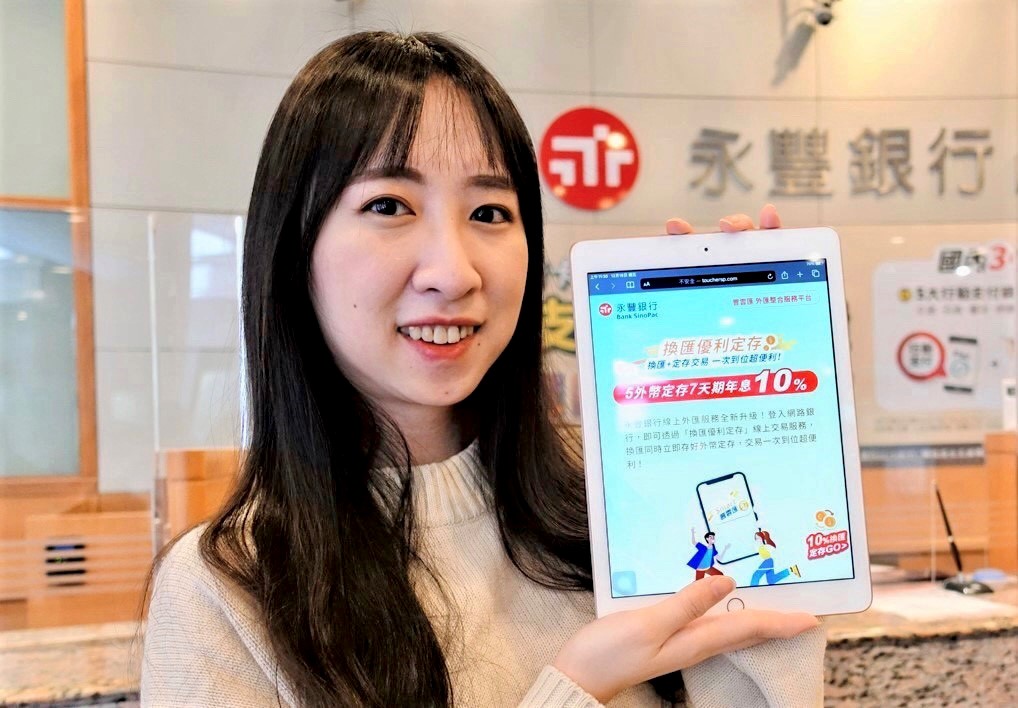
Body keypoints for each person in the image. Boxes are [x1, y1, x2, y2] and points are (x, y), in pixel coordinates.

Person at [141, 31, 825, 707]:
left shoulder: (615, 522)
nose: (454, 272)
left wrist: (746, 452)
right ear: (294, 248)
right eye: (389, 206)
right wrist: (579, 688)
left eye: (490, 212)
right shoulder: (223, 596)